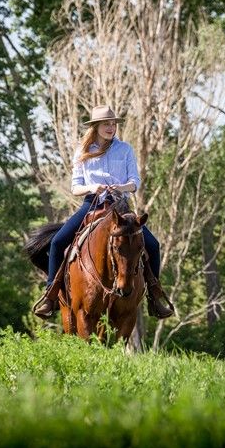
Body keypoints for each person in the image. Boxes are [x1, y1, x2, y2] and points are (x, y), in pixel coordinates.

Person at [33, 105, 174, 320]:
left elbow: (134, 182)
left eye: (113, 124)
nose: (111, 127)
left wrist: (121, 188)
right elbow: (75, 187)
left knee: (153, 245)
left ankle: (155, 296)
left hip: (120, 207)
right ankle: (50, 295)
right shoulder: (83, 151)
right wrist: (92, 188)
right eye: (106, 124)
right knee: (57, 242)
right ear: (96, 126)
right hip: (92, 204)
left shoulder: (125, 149)